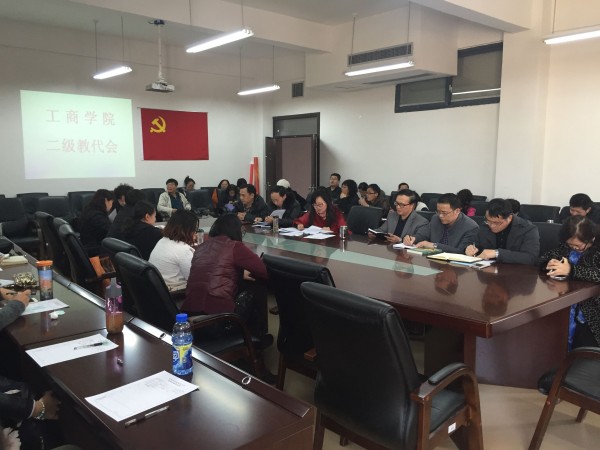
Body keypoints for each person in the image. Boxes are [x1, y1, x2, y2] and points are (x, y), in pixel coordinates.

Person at [182, 214, 269, 338]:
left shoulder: (201, 247)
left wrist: (239, 273)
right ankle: (257, 337)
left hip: (189, 316)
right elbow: (263, 270)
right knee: (257, 285)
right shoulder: (234, 246)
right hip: (218, 320)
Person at [540, 216, 600, 349]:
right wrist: (549, 263)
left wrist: (572, 270)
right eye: (570, 245)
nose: (573, 248)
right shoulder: (566, 247)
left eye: (578, 246)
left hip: (592, 310)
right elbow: (545, 256)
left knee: (584, 348)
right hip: (566, 301)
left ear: (592, 238)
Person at [465, 198, 540, 265]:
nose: (492, 226)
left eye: (496, 223)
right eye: (488, 221)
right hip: (488, 271)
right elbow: (474, 243)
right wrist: (470, 248)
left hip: (516, 273)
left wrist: (497, 253)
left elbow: (530, 258)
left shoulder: (527, 229)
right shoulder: (485, 225)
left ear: (509, 217)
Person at [410, 193, 478, 253]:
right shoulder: (435, 218)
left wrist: (434, 246)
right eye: (438, 211)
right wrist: (414, 238)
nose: (440, 216)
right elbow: (424, 234)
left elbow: (461, 251)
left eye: (444, 213)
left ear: (457, 211)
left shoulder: (471, 227)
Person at [149, 210, 198, 292]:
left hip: (158, 290)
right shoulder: (183, 250)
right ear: (189, 230)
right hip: (176, 293)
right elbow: (194, 279)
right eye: (195, 229)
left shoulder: (162, 241)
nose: (195, 232)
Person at [79, 189, 114, 257]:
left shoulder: (89, 209)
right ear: (106, 200)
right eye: (112, 202)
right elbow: (110, 231)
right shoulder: (97, 216)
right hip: (95, 249)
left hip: (88, 245)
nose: (112, 205)